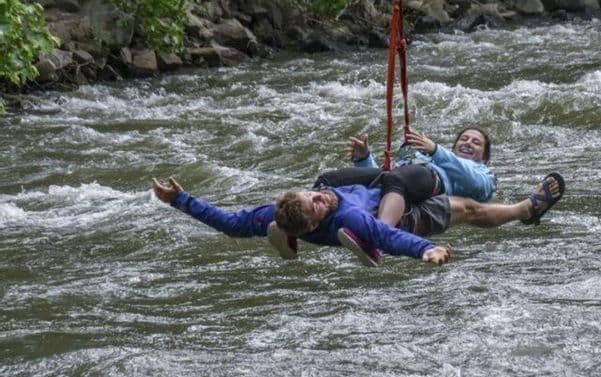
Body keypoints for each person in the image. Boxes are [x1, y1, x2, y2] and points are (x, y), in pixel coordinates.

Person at [150, 169, 565, 266]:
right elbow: (388, 234)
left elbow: (228, 223)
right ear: (316, 222)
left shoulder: (274, 212)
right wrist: (427, 250)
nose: (321, 196)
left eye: (312, 193)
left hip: (358, 211)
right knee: (467, 209)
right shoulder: (345, 215)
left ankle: (287, 241)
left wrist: (181, 199)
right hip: (403, 221)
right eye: (317, 203)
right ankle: (525, 211)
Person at [347, 126, 496, 230]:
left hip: (426, 180)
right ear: (455, 146)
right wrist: (364, 159)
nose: (468, 143)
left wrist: (436, 150)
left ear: (484, 157)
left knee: (398, 177)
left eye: (476, 142)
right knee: (334, 179)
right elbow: (383, 179)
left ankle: (381, 232)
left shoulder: (483, 173)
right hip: (400, 179)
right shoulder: (431, 156)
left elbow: (475, 184)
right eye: (464, 139)